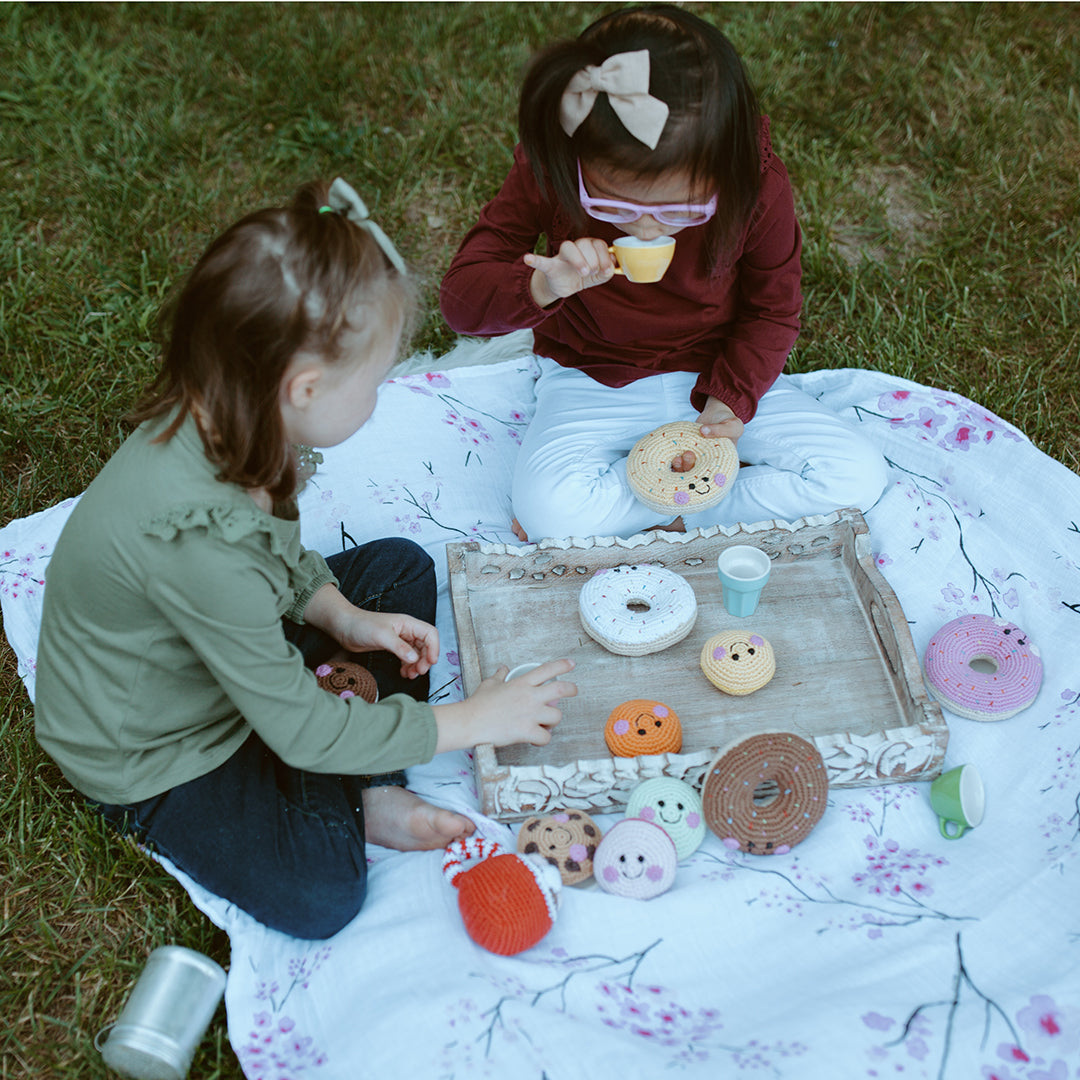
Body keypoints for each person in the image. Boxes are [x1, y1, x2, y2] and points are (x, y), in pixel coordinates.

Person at [33, 178, 576, 940]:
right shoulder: (200, 543)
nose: (382, 397)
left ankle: (366, 767)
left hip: (226, 649)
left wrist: (341, 615)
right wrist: (466, 721)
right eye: (377, 382)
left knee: (396, 569)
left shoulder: (233, 419)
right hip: (162, 749)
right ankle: (363, 790)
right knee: (322, 892)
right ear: (305, 387)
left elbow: (278, 555)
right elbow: (300, 730)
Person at [440, 4, 887, 542]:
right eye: (615, 208)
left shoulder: (757, 185)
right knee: (550, 512)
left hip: (712, 372)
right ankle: (697, 501)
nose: (648, 231)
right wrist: (545, 284)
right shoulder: (550, 170)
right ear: (576, 162)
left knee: (858, 476)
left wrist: (734, 396)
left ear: (728, 165)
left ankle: (671, 511)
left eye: (681, 213)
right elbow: (461, 303)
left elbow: (774, 308)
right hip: (591, 373)